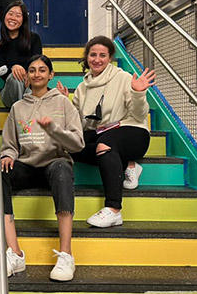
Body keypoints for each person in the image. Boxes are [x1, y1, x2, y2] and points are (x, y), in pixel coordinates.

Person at [0, 55, 84, 281]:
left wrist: (54, 130)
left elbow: (77, 144)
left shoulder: (63, 103)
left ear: (51, 75)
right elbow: (10, 144)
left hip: (54, 164)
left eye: (42, 70)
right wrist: (8, 155)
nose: (37, 74)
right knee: (0, 172)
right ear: (27, 75)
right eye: (32, 70)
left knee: (63, 169)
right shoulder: (17, 107)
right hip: (27, 164)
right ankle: (14, 254)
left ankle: (66, 254)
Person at [57, 36, 155, 228]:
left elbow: (139, 114)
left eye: (103, 55)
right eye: (93, 55)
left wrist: (137, 93)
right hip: (103, 133)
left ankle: (113, 209)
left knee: (105, 144)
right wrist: (65, 104)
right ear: (87, 58)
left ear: (110, 58)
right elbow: (79, 125)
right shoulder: (81, 88)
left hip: (133, 131)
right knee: (66, 144)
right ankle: (127, 164)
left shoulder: (124, 78)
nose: (97, 59)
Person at [0, 1, 43, 107]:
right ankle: (26, 108)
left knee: (32, 87)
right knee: (15, 78)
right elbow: (3, 74)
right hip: (9, 93)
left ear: (23, 20)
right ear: (4, 16)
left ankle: (24, 110)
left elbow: (38, 64)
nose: (13, 18)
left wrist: (28, 75)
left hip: (30, 86)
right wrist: (14, 67)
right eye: (10, 14)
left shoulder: (34, 39)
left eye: (18, 15)